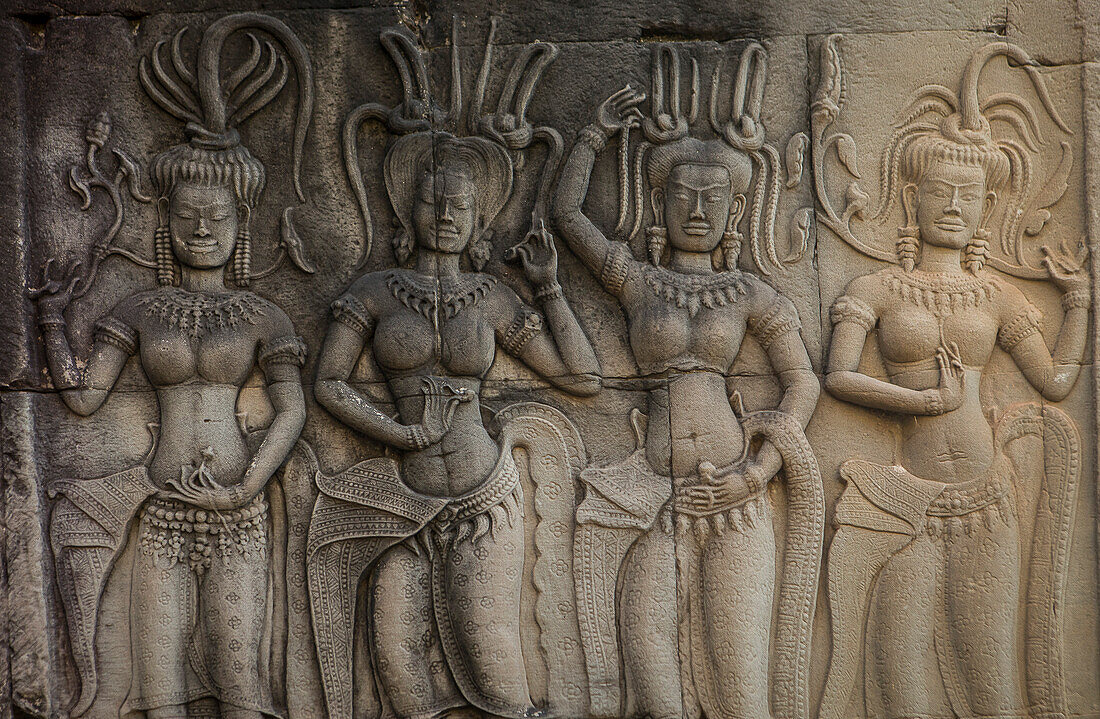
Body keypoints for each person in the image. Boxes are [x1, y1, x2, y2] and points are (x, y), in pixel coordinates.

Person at [309, 29, 600, 719]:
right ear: (406, 210)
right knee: (396, 664)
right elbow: (328, 382)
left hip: (482, 494)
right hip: (397, 502)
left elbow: (584, 378)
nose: (444, 214)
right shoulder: (376, 291)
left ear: (479, 221)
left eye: (460, 206)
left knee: (494, 662)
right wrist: (398, 432)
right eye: (431, 201)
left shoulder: (496, 299)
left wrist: (552, 288)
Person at [38, 15, 311, 719]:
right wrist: (50, 319)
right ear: (167, 224)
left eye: (216, 217)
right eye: (188, 215)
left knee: (240, 680)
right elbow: (82, 398)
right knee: (159, 691)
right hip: (160, 511)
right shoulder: (139, 307)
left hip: (238, 511)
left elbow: (293, 409)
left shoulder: (262, 317)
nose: (201, 229)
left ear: (238, 225)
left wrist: (246, 485)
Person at [819, 42, 1089, 719]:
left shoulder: (995, 295)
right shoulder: (876, 286)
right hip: (901, 503)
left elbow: (1055, 380)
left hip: (986, 501)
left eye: (969, 197)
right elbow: (838, 374)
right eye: (941, 192)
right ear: (913, 196)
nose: (954, 206)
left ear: (987, 207)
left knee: (991, 682)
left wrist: (1080, 301)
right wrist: (923, 400)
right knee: (897, 676)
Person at [553, 45, 822, 719]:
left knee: (741, 695)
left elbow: (802, 383)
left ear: (735, 211)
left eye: (713, 198)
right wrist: (591, 135)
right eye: (682, 196)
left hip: (734, 495)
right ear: (659, 203)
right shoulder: (636, 281)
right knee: (654, 693)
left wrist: (759, 471)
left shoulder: (750, 293)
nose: (697, 209)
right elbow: (567, 219)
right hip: (650, 499)